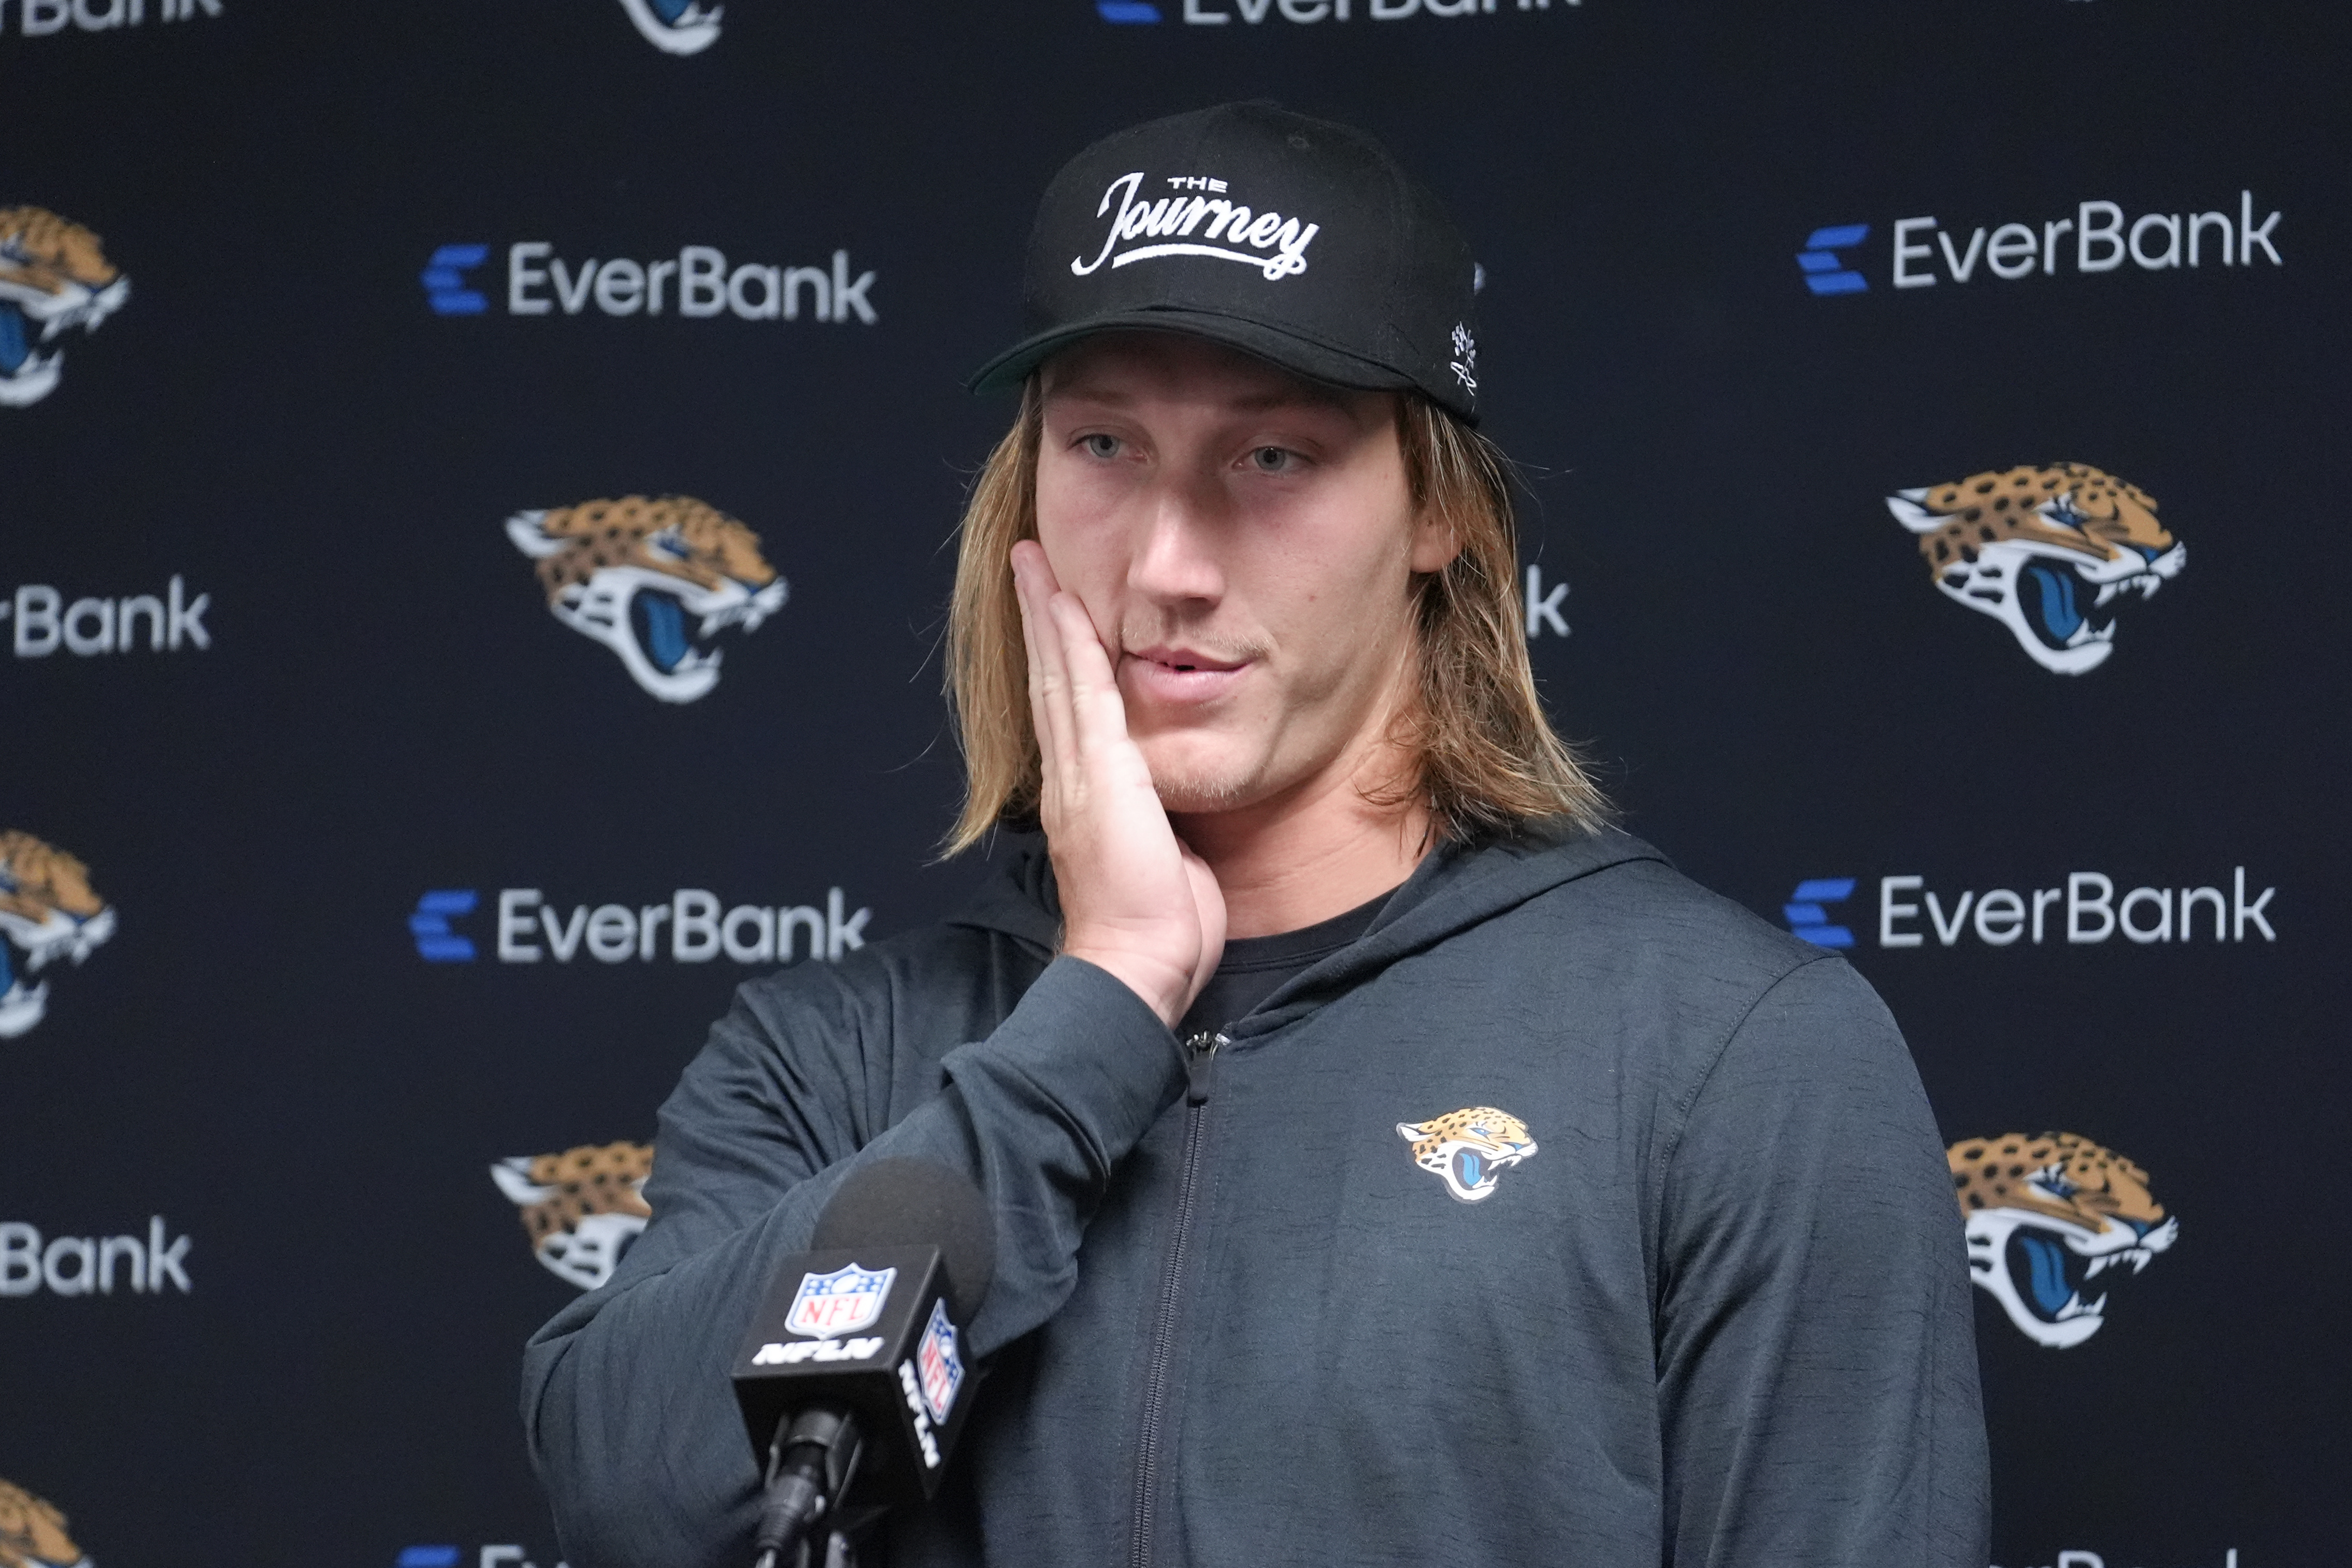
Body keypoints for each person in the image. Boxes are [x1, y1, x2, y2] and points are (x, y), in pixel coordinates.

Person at [522, 102, 1989, 1568]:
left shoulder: (1726, 1053)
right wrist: (1097, 1013)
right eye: (1104, 444)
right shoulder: (833, 1056)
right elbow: (632, 1509)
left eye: (1274, 455)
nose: (1168, 562)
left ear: (1437, 510)